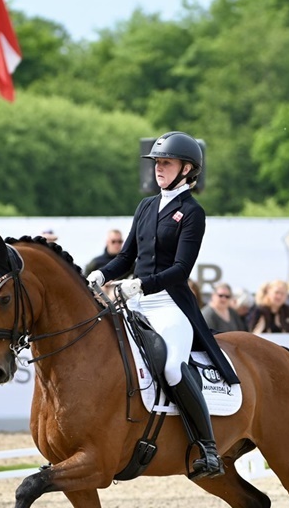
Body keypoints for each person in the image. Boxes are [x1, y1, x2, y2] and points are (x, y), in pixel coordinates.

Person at [87, 131, 237, 481]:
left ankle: (207, 447)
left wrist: (142, 283)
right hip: (136, 301)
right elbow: (127, 257)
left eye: (166, 163)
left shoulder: (192, 212)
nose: (158, 168)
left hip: (170, 305)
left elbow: (181, 269)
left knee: (171, 368)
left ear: (187, 169)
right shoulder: (146, 206)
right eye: (156, 162)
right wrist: (101, 274)